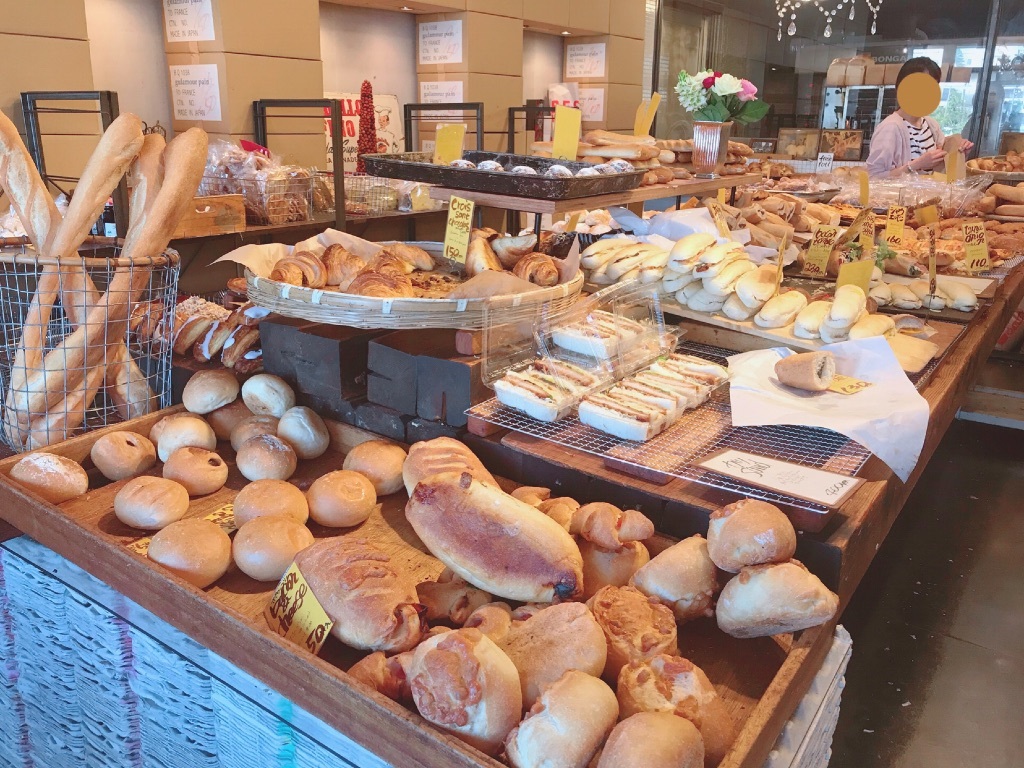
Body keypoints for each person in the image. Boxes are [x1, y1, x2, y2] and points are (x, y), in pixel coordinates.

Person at [866, 57, 974, 177]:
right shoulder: (890, 128)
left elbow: (942, 168)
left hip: (930, 189)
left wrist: (959, 153)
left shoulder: (931, 125)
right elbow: (874, 177)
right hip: (902, 190)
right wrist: (916, 165)